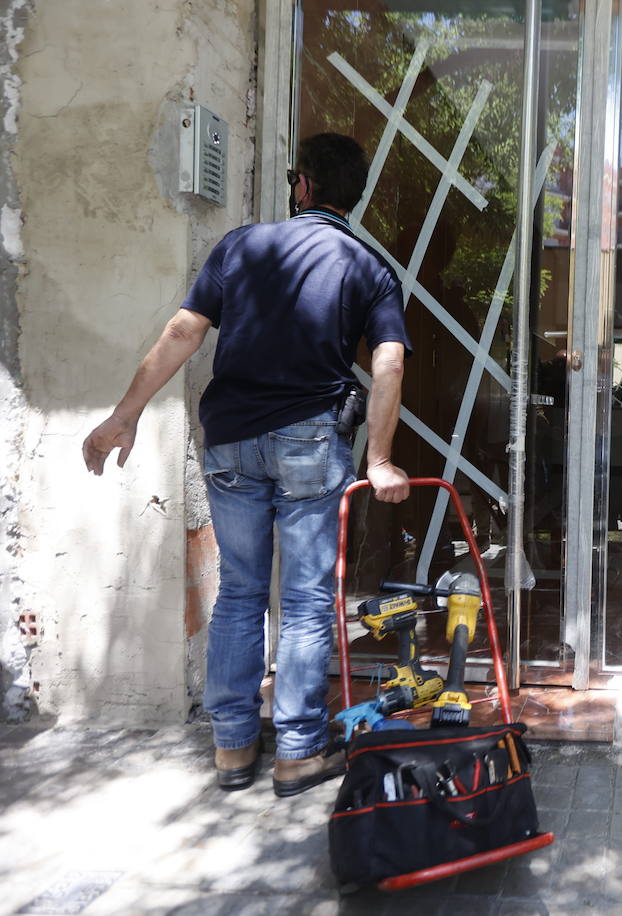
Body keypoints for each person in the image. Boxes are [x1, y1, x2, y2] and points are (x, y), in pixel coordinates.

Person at [81, 134, 412, 798]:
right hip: (310, 444)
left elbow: (183, 332)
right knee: (308, 599)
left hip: (231, 441)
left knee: (238, 593)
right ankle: (295, 753)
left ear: (305, 187)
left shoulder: (241, 246)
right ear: (352, 194)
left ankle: (232, 749)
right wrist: (378, 459)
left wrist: (125, 413)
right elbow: (389, 362)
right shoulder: (369, 267)